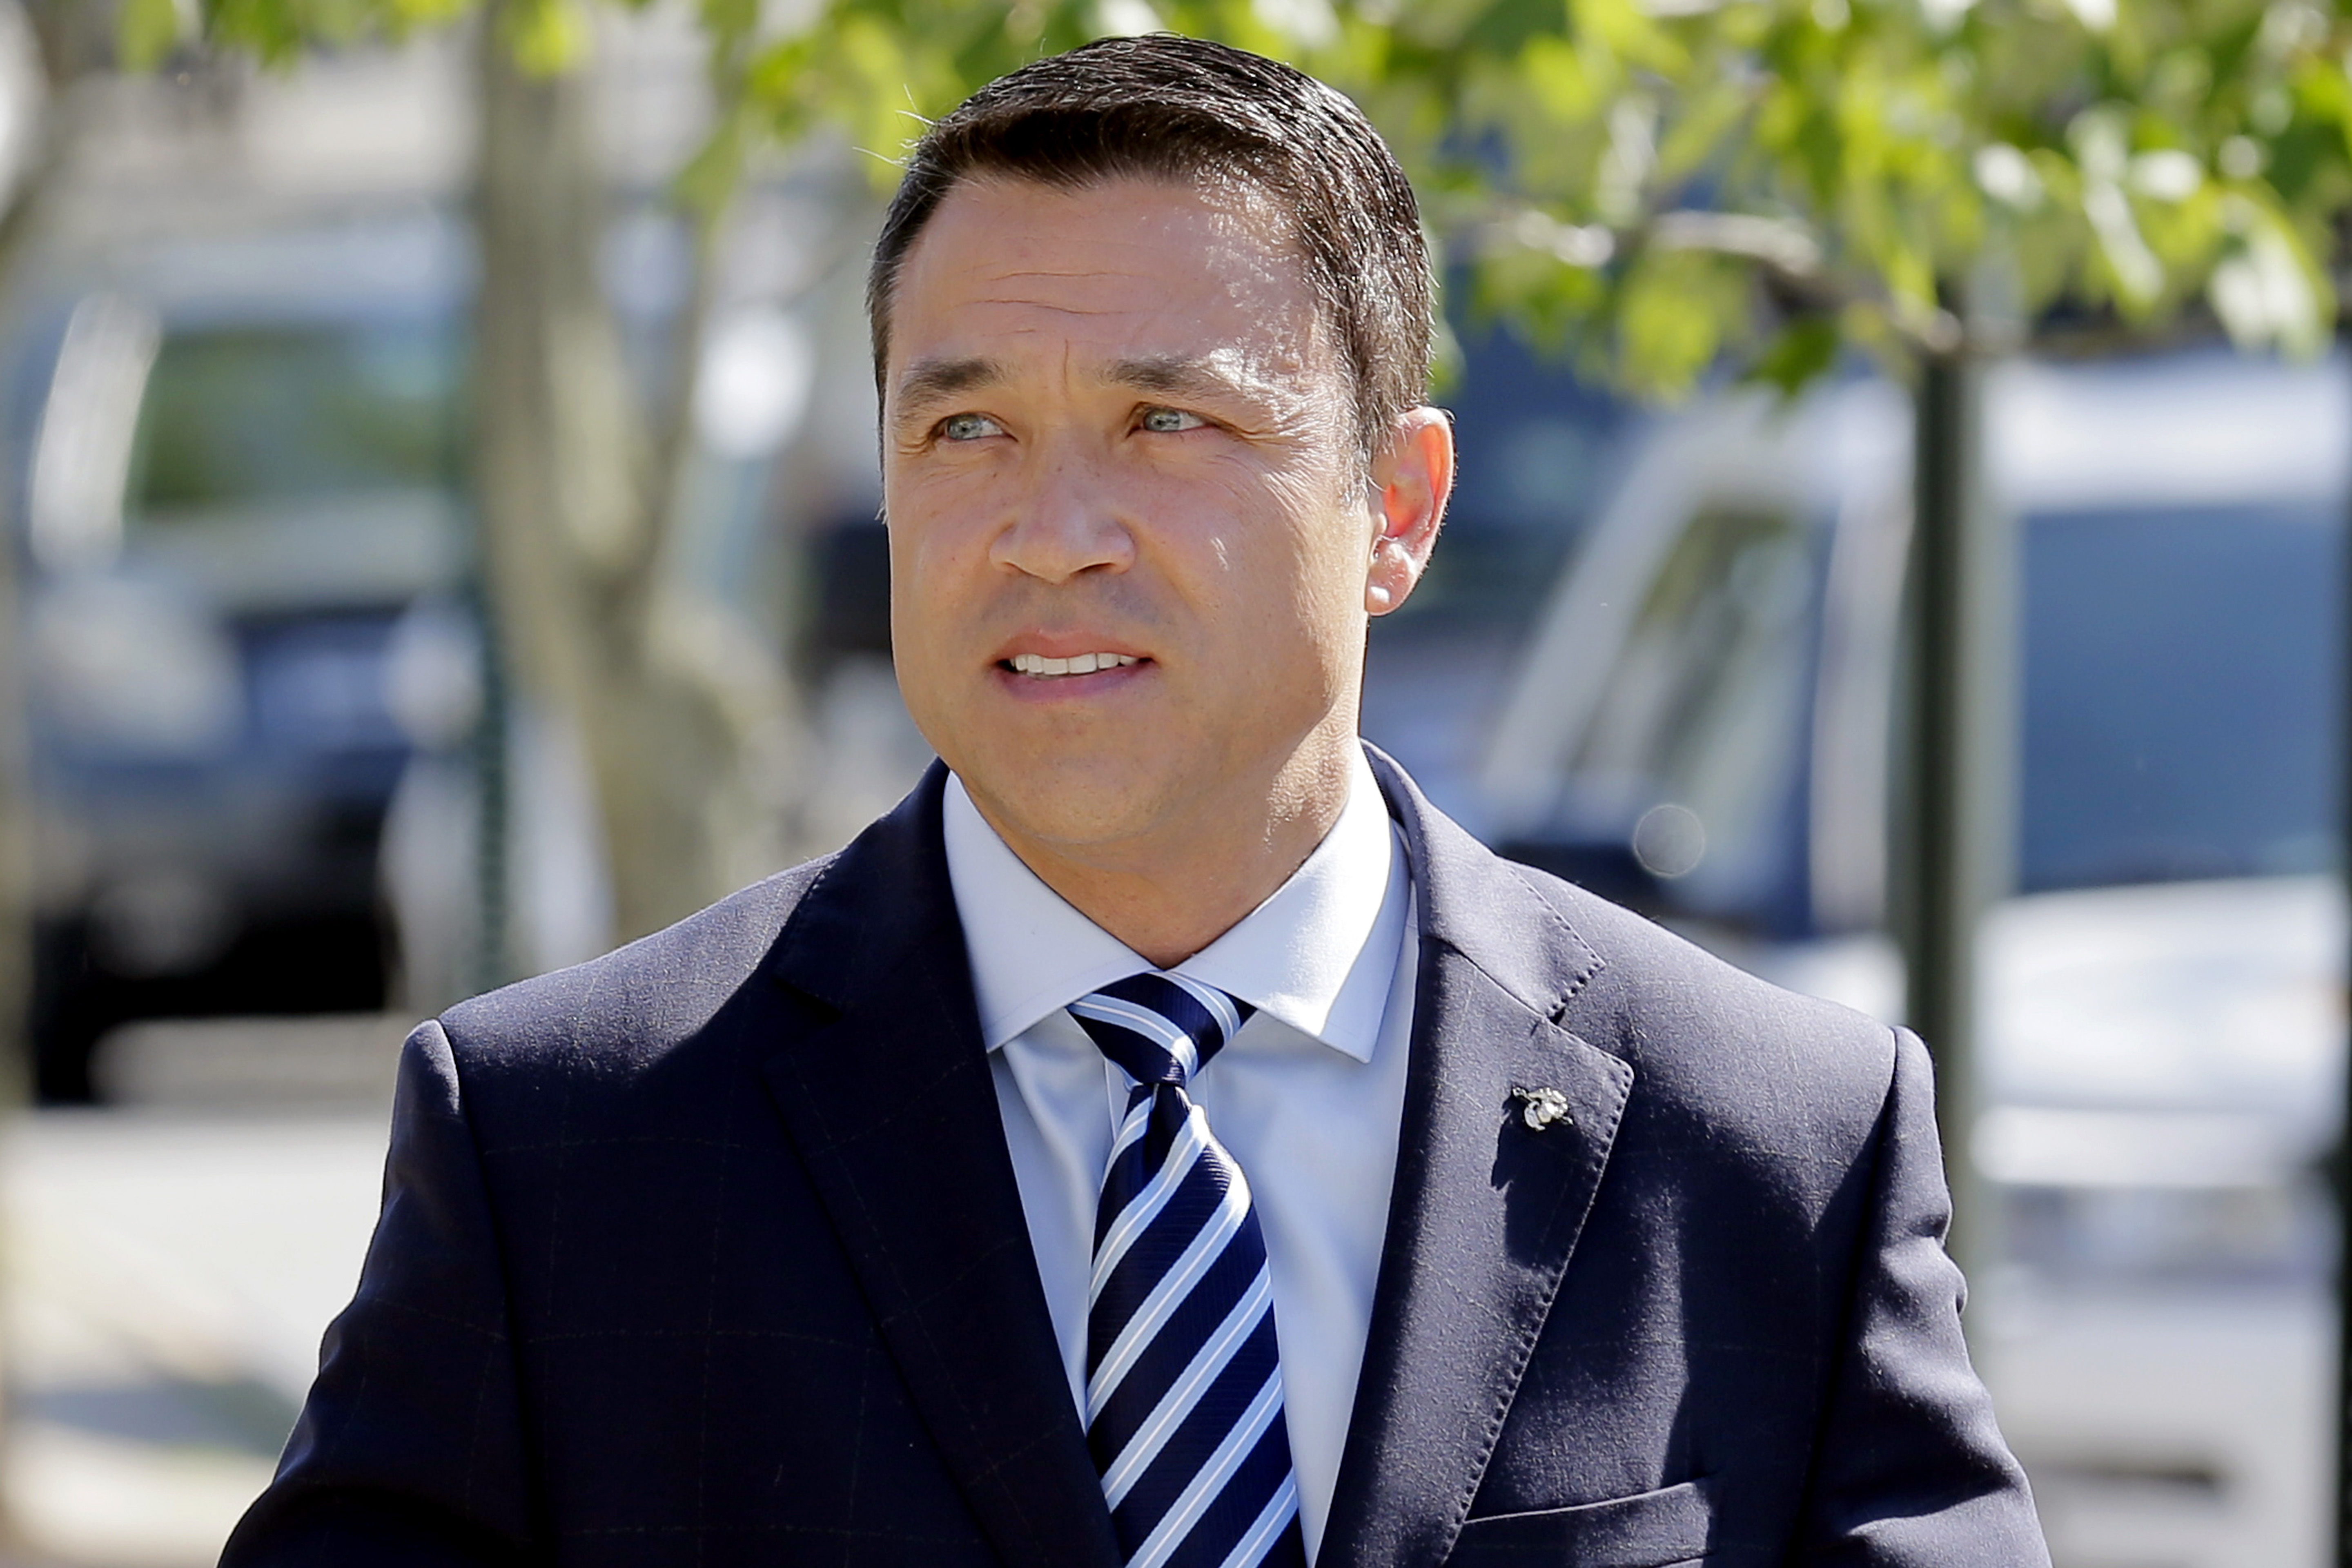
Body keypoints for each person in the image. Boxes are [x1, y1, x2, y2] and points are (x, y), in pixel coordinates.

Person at [225, 35, 2048, 1568]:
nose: (1050, 534)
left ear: (1398, 508)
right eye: (967, 430)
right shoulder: (562, 1156)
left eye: (1171, 425)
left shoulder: (1772, 1152)